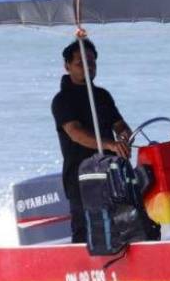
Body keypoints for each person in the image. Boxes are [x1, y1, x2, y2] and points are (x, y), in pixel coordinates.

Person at [50, 38, 132, 244]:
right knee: (85, 231)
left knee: (119, 226)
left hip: (110, 173)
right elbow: (75, 133)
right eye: (80, 63)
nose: (88, 67)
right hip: (80, 176)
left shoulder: (102, 95)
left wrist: (124, 135)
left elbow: (120, 125)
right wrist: (110, 144)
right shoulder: (62, 100)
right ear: (67, 66)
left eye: (92, 63)